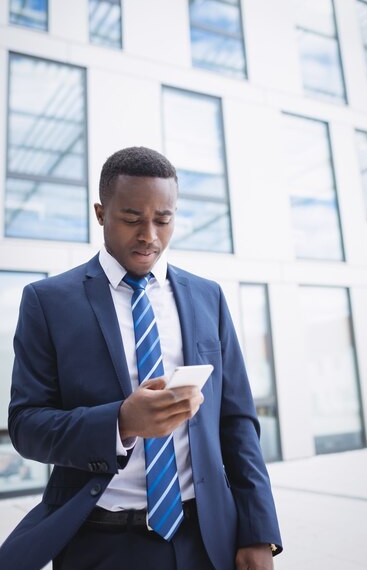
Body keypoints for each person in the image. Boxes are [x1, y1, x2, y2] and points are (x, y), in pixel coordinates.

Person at [0, 146, 282, 570]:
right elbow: (26, 426)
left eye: (163, 220)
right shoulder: (48, 302)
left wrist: (259, 532)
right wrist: (121, 422)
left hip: (205, 539)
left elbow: (236, 420)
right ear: (100, 213)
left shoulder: (207, 297)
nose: (149, 235)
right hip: (99, 542)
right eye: (131, 218)